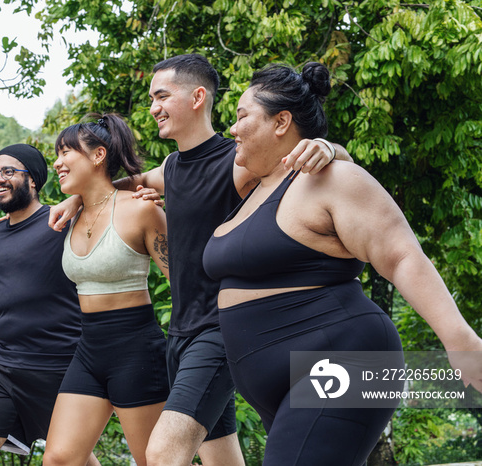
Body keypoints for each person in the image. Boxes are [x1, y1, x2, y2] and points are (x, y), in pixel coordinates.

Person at [49, 54, 351, 466]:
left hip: (221, 331)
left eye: (161, 96)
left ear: (197, 97)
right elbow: (126, 183)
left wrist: (329, 148)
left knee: (163, 454)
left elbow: (303, 161)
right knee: (221, 459)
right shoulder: (172, 167)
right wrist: (74, 197)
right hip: (182, 334)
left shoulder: (239, 161)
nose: (153, 107)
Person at [202, 61, 482, 465]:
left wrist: (460, 342)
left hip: (344, 356)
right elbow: (175, 172)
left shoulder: (332, 179)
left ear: (281, 122)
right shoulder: (251, 192)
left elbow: (401, 255)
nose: (232, 129)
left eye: (242, 116)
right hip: (279, 383)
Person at [0, 144, 99, 466]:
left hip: (62, 367)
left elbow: (109, 199)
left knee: (71, 460)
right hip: (3, 367)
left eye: (10, 171)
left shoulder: (64, 220)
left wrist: (79, 199)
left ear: (34, 180)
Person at [42, 114, 170, 466]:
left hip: (137, 350)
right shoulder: (72, 215)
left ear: (98, 156)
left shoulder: (141, 210)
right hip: (89, 349)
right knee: (59, 459)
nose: (57, 162)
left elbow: (183, 284)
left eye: (66, 152)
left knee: (155, 461)